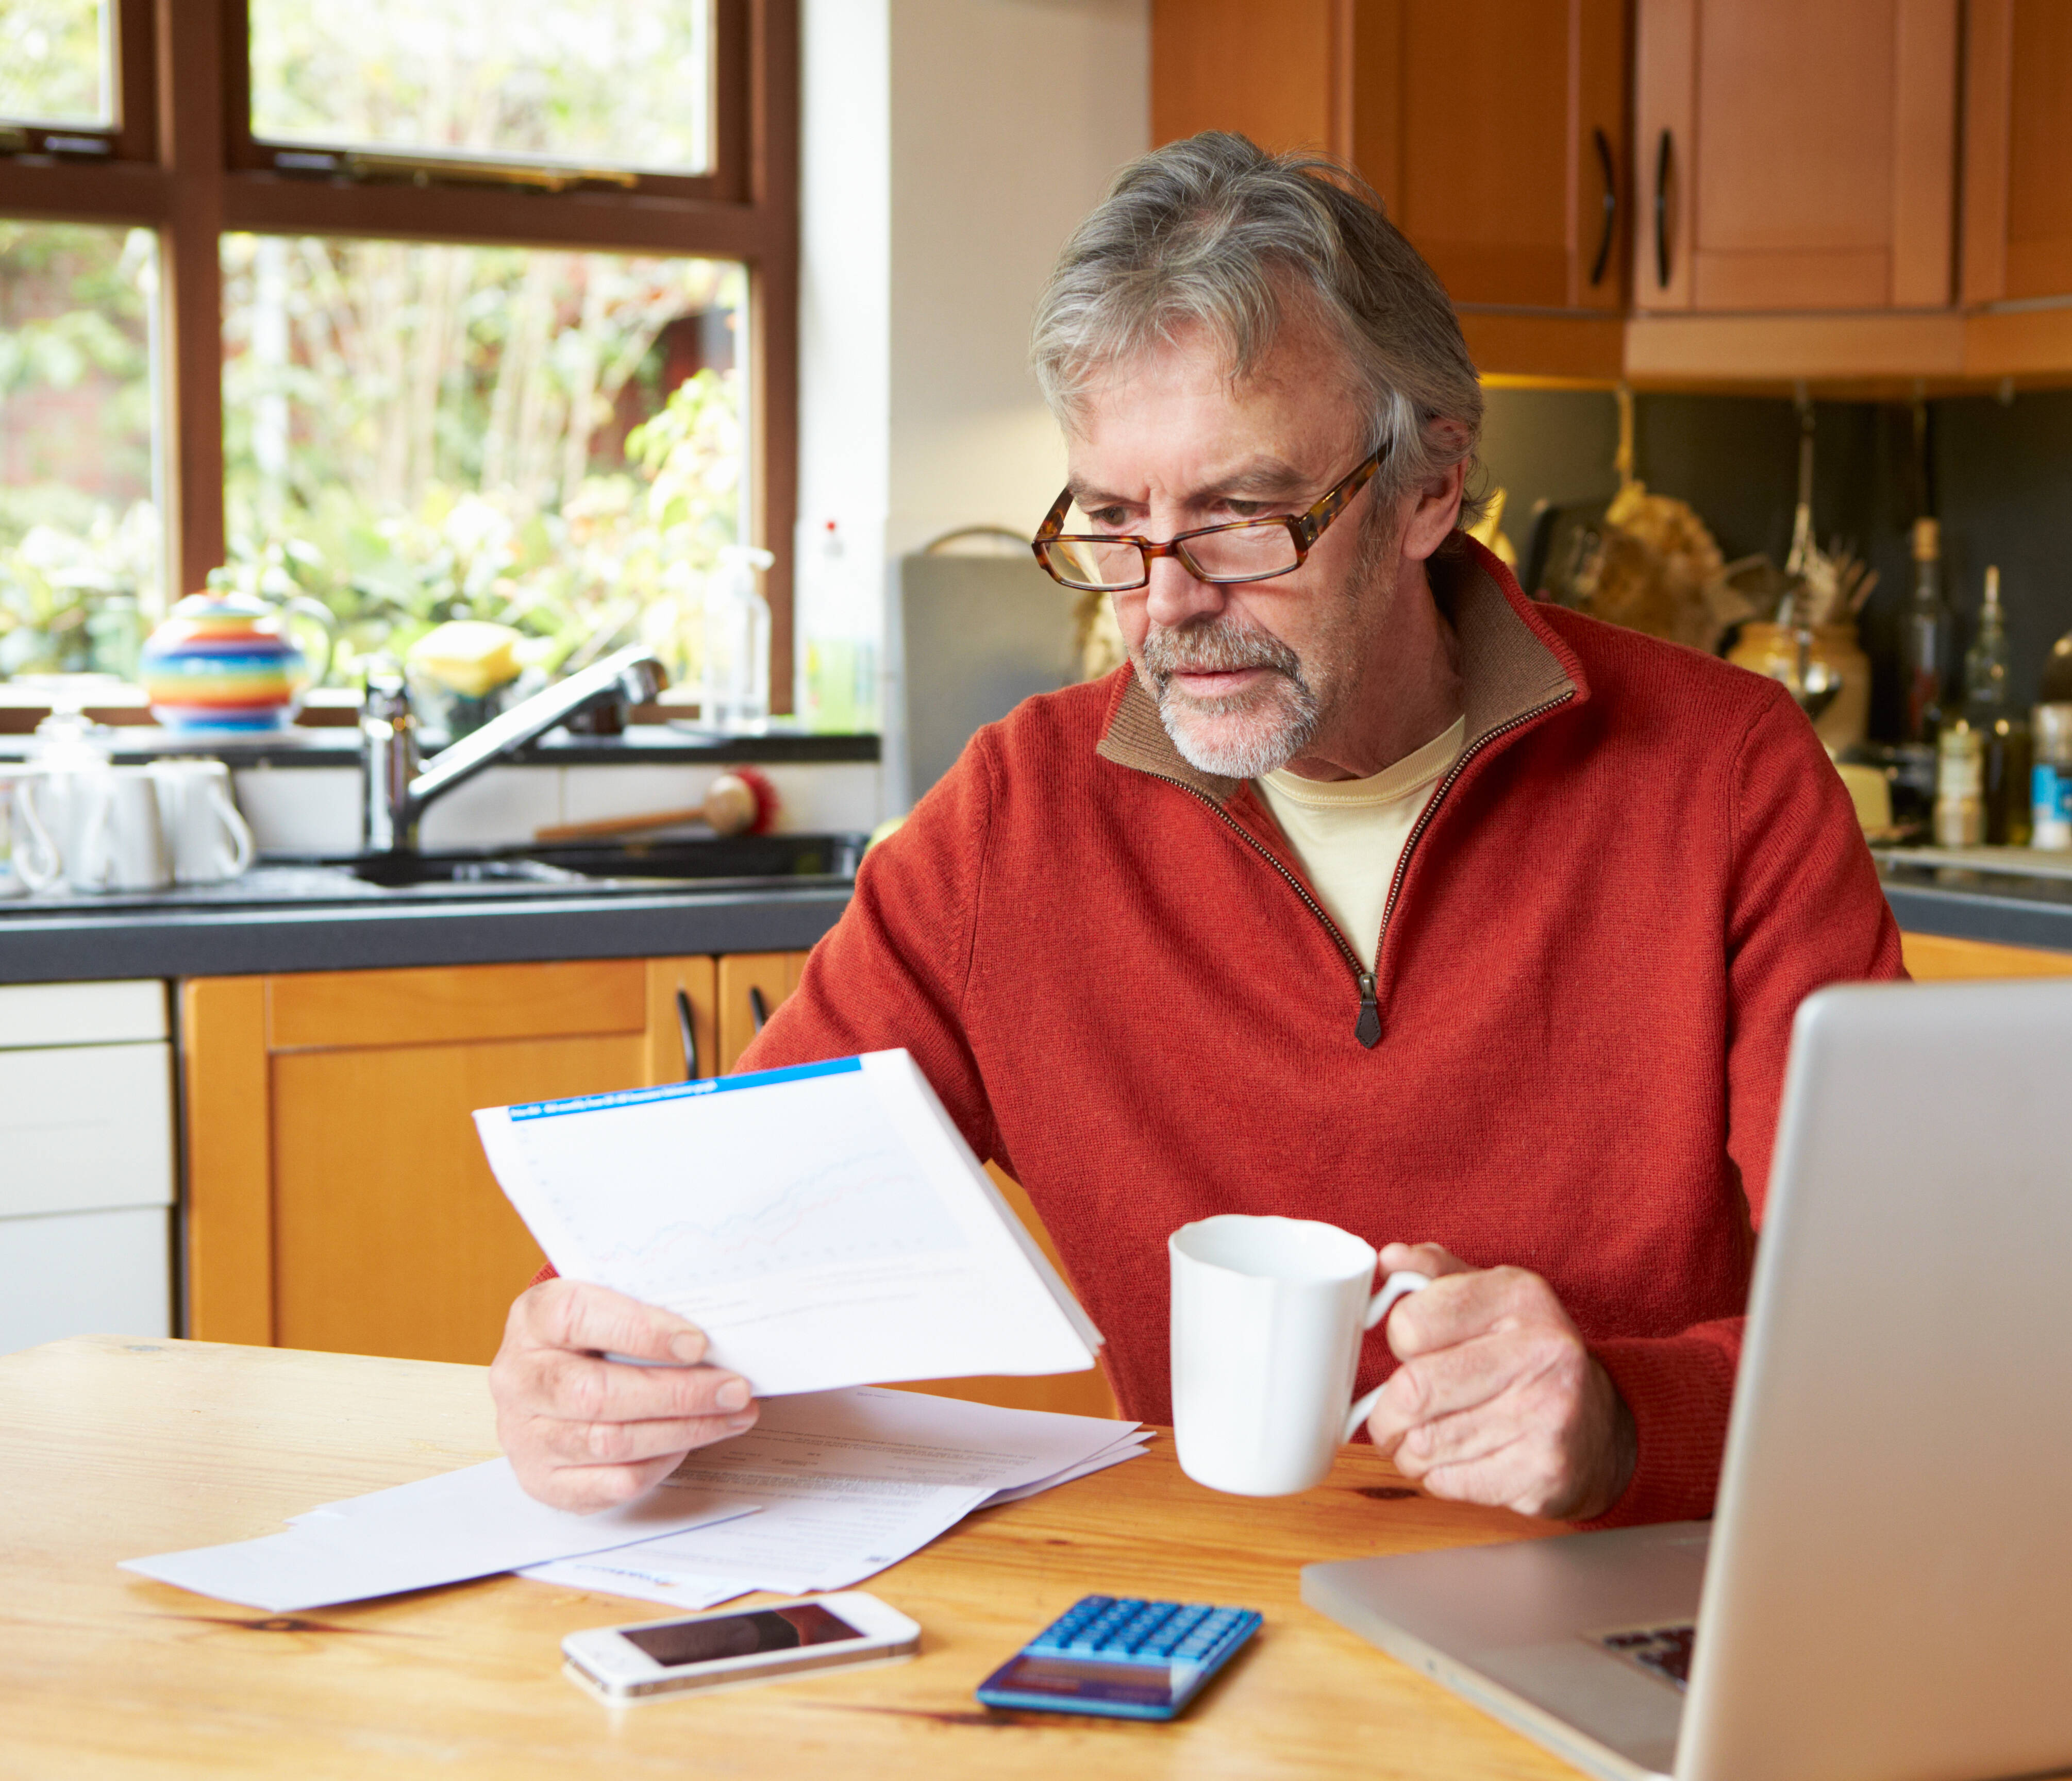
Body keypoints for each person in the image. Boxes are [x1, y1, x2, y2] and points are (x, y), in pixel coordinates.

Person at [489, 132, 1903, 1524]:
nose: (1166, 603)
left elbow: (1907, 1328)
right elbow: (721, 1258)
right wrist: (593, 1379)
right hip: (1204, 1621)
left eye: (1242, 518)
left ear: (1430, 487)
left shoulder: (1723, 776)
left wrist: (1622, 1423)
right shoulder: (1014, 823)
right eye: (1114, 521)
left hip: (1632, 1602)